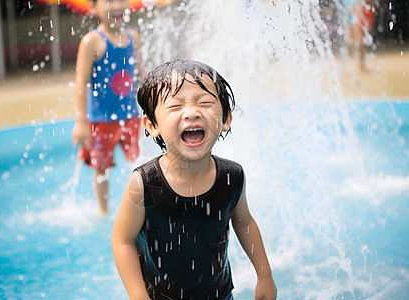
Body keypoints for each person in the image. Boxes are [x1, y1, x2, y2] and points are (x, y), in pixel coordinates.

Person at [111, 59, 277, 300]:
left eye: (205, 103)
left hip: (219, 294)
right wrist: (138, 296)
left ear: (226, 119)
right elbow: (122, 240)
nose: (192, 113)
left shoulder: (232, 177)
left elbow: (244, 223)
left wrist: (265, 276)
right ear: (152, 124)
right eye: (176, 107)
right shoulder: (145, 183)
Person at [72, 0, 143, 215]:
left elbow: (141, 74)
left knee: (139, 164)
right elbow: (80, 81)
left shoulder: (133, 37)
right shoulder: (92, 41)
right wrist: (81, 121)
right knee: (101, 168)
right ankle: (104, 212)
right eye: (109, 1)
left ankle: (140, 210)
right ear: (93, 7)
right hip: (100, 121)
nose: (117, 5)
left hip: (131, 116)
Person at [343, 0, 375, 71]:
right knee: (349, 40)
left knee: (359, 40)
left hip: (357, 14)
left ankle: (361, 65)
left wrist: (358, 9)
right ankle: (359, 61)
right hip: (347, 15)